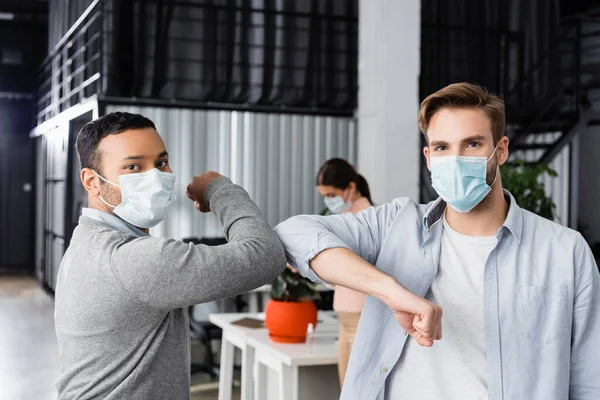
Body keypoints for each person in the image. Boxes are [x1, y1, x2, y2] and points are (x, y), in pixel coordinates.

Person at [275, 83, 600, 400]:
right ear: (429, 157)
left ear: (500, 151)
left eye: (472, 144)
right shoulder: (393, 226)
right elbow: (292, 234)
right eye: (443, 147)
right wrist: (391, 291)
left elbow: (589, 382)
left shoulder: (565, 252)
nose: (456, 160)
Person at [54, 112, 286, 399]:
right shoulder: (133, 260)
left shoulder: (86, 240)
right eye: (133, 166)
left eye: (161, 163)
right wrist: (219, 189)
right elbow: (265, 256)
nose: (155, 177)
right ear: (92, 181)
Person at [315, 158, 373, 387]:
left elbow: (355, 270)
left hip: (362, 316)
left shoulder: (366, 218)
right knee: (347, 388)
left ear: (350, 187)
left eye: (331, 195)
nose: (328, 201)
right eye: (325, 196)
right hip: (346, 318)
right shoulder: (345, 218)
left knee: (359, 388)